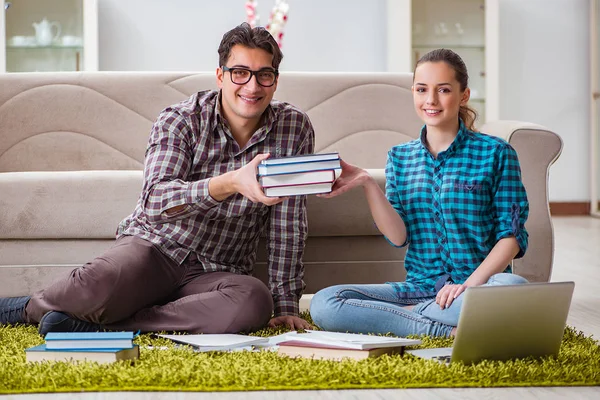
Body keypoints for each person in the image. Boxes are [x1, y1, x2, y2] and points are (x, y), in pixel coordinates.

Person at [0, 22, 314, 335]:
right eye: (240, 73)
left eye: (265, 75)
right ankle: (25, 308)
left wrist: (285, 304)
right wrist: (230, 182)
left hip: (219, 271)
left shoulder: (294, 128)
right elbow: (156, 201)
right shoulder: (181, 119)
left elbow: (287, 224)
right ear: (221, 75)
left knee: (254, 301)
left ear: (275, 81)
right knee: (100, 284)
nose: (253, 86)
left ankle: (113, 326)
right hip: (155, 250)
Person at [309, 48, 530, 338]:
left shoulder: (497, 153)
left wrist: (467, 287)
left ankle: (412, 320)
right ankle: (440, 328)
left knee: (513, 290)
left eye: (444, 90)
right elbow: (399, 237)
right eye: (422, 89)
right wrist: (367, 183)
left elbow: (511, 237)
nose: (431, 100)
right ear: (413, 92)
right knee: (325, 303)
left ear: (464, 95)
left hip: (479, 289)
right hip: (417, 289)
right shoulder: (400, 158)